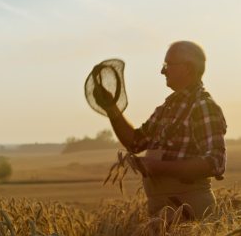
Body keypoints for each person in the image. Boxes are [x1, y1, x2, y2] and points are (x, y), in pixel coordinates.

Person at [93, 40, 226, 220]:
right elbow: (135, 142)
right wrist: (111, 108)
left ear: (187, 68)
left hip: (193, 213)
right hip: (161, 213)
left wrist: (160, 168)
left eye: (167, 65)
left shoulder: (203, 106)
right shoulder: (167, 108)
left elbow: (215, 162)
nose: (162, 71)